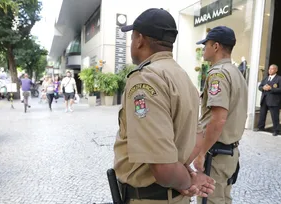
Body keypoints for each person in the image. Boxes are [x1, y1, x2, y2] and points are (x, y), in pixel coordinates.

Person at [113, 8, 215, 204]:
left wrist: (188, 181)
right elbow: (198, 136)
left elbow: (164, 169)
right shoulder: (183, 77)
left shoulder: (147, 79)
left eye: (132, 38)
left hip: (150, 198)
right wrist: (187, 175)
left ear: (139, 39)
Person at [192, 26, 248, 204]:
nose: (204, 49)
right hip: (229, 153)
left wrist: (201, 153)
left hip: (215, 156)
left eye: (206, 45)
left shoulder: (218, 74)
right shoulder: (236, 73)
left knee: (209, 200)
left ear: (215, 46)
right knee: (223, 199)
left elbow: (218, 119)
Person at [256, 64, 281, 136]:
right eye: (269, 69)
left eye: (272, 69)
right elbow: (260, 86)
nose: (270, 70)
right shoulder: (266, 78)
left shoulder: (279, 79)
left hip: (273, 100)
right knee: (262, 114)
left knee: (274, 116)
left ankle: (276, 130)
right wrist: (263, 88)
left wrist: (271, 89)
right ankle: (260, 127)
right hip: (264, 99)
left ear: (276, 70)